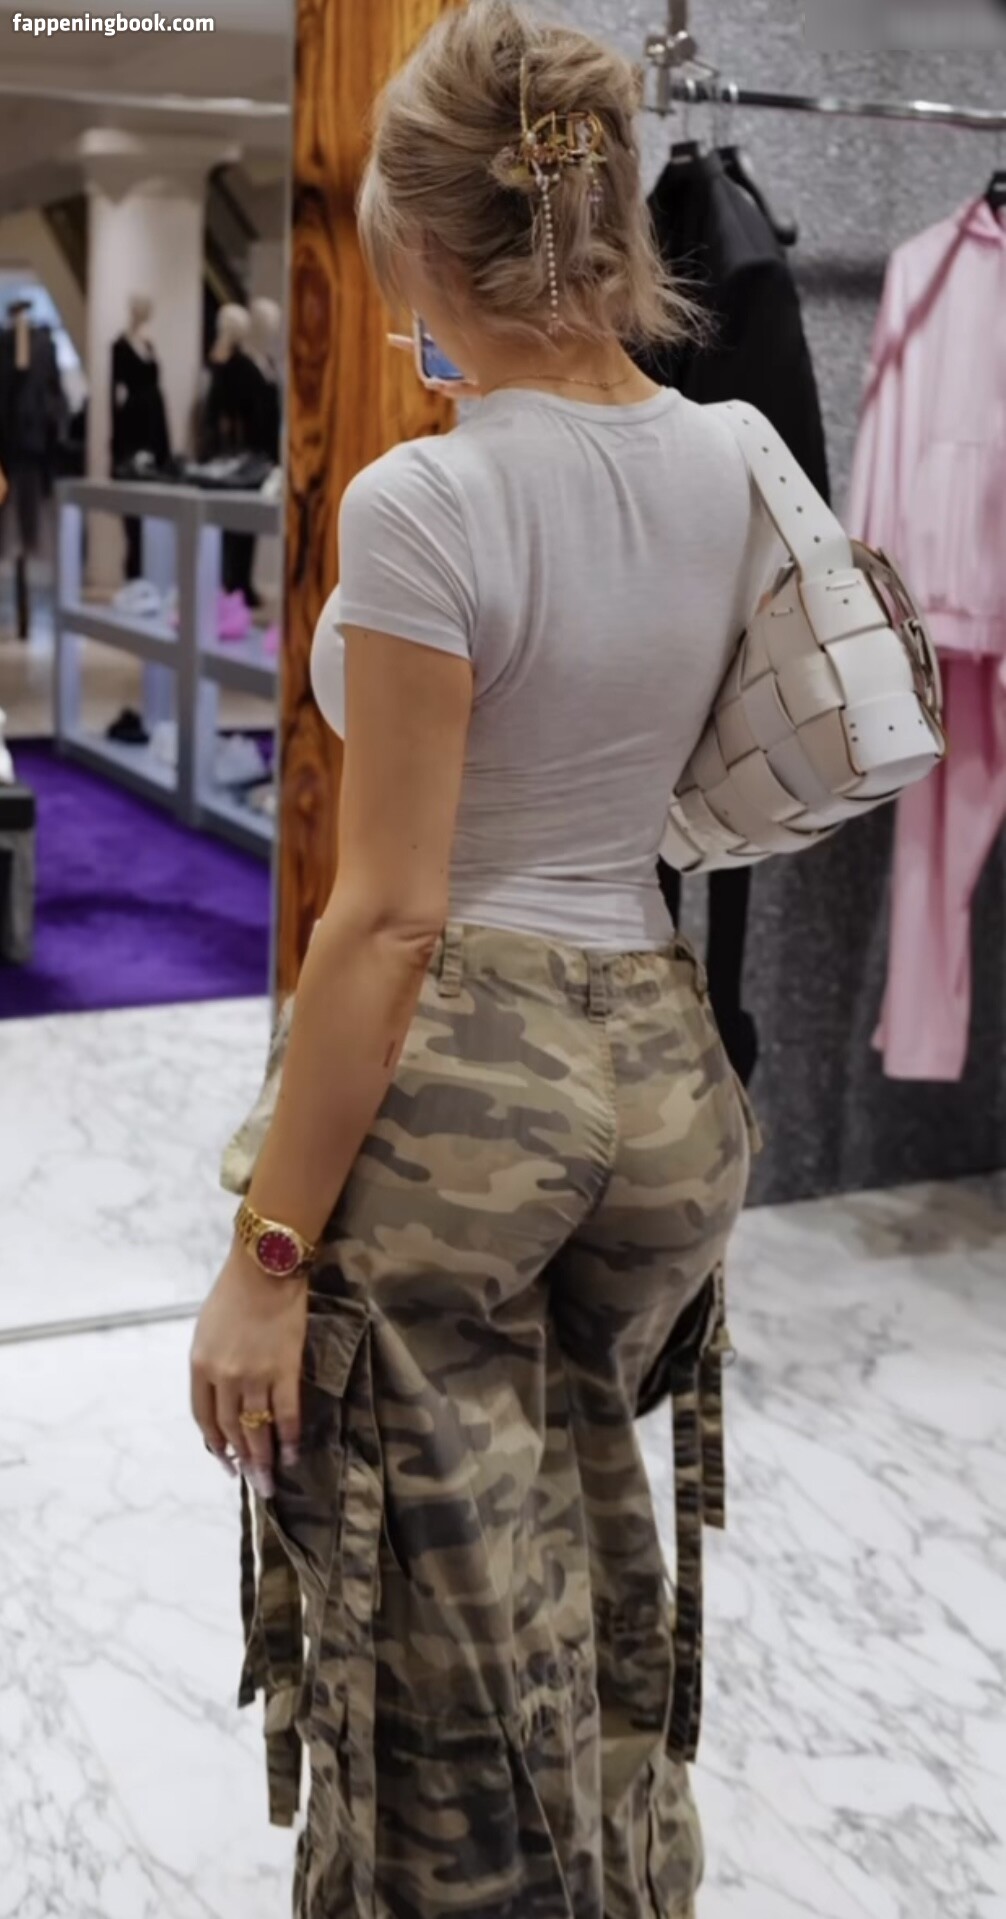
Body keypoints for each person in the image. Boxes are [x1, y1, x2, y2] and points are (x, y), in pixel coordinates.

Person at [190, 3, 774, 1913]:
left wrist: (266, 1257)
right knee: (591, 1525)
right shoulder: (731, 455)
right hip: (664, 1075)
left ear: (423, 243)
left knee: (418, 1642)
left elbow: (389, 915)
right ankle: (627, 1877)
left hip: (474, 1093)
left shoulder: (427, 501)